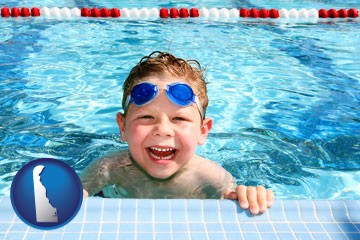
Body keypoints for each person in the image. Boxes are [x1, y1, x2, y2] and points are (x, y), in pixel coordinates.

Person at [81, 51, 274, 215]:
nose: (163, 130)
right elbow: (72, 196)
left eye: (179, 119)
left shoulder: (211, 177)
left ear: (202, 131)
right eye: (147, 117)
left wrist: (249, 196)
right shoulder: (108, 168)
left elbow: (235, 203)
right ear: (123, 127)